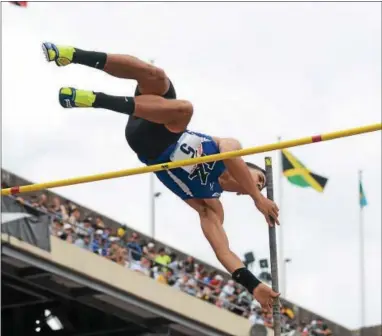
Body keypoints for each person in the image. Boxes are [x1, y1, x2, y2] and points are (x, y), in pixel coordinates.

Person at [42, 42, 280, 311]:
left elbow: (223, 251)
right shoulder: (230, 145)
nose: (256, 185)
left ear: (240, 192)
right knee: (155, 75)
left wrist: (253, 285)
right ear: (245, 167)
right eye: (257, 178)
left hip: (150, 144)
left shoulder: (210, 202)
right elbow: (229, 157)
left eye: (257, 185)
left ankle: (95, 99)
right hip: (149, 114)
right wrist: (259, 197)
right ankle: (71, 56)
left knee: (184, 109)